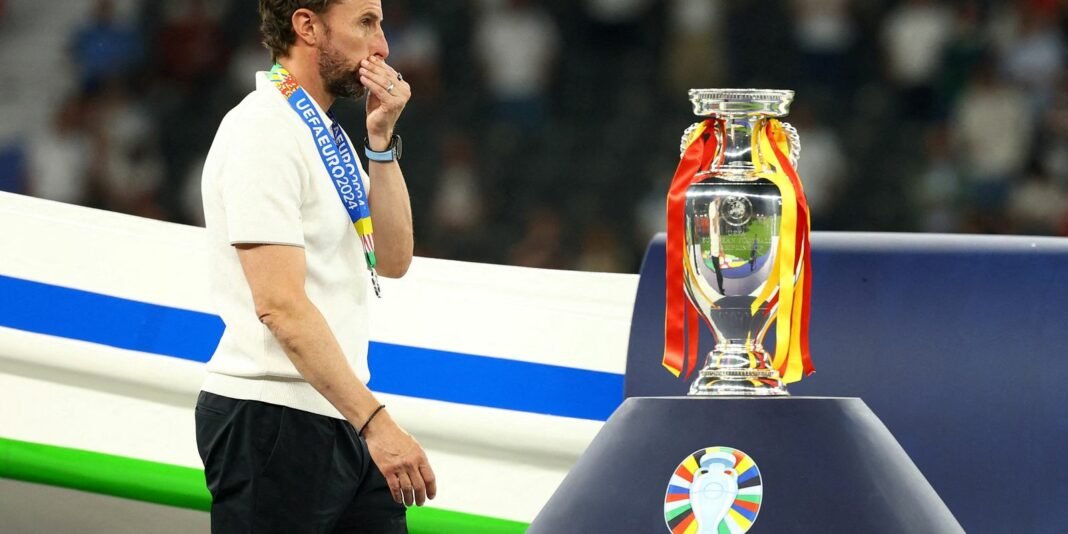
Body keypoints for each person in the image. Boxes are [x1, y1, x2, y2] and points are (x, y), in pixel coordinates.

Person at [195, 1, 434, 532]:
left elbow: (393, 258)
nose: (382, 46)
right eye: (366, 23)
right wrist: (376, 423)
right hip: (272, 415)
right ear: (307, 26)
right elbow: (279, 305)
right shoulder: (263, 129)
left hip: (340, 412)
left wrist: (380, 143)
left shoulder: (326, 136)